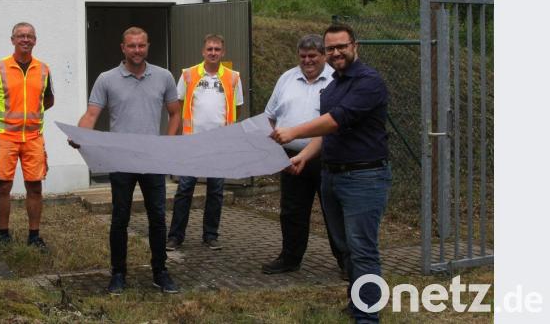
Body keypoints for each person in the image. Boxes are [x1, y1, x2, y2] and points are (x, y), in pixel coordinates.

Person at [270, 24, 391, 323]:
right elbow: (329, 136)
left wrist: (293, 132)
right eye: (331, 48)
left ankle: (367, 316)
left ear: (355, 46)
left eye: (341, 46)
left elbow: (338, 120)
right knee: (347, 249)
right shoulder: (333, 86)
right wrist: (303, 155)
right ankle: (356, 303)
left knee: (362, 250)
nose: (336, 53)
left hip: (364, 178)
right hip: (332, 175)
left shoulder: (368, 81)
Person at [74, 26, 182, 295]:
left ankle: (160, 271)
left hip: (152, 160)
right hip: (121, 161)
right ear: (123, 48)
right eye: (132, 46)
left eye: (141, 45)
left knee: (157, 217)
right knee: (120, 218)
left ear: (148, 46)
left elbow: (175, 113)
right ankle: (118, 273)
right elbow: (91, 115)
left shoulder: (164, 77)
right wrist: (79, 134)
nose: (137, 50)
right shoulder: (106, 79)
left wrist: (167, 143)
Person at [261, 34, 343, 275]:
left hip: (327, 155)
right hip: (290, 156)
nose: (307, 61)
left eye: (313, 56)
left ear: (324, 56)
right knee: (292, 210)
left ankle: (346, 262)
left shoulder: (336, 80)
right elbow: (270, 116)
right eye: (303, 56)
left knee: (334, 211)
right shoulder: (286, 78)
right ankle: (290, 258)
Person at [0, 22, 54, 250]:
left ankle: (34, 236)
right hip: (4, 137)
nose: (25, 39)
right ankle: (3, 234)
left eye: (30, 36)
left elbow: (49, 100)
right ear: (12, 40)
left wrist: (30, 116)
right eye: (21, 36)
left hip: (33, 138)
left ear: (35, 40)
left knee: (35, 187)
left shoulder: (43, 69)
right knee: (2, 187)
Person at [166, 34, 243, 251]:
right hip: (193, 143)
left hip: (219, 144)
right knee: (184, 189)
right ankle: (175, 237)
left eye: (217, 49)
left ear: (223, 52)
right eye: (209, 49)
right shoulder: (189, 74)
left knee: (216, 191)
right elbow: (177, 108)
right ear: (203, 51)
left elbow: (237, 108)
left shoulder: (233, 77)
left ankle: (210, 235)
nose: (213, 52)